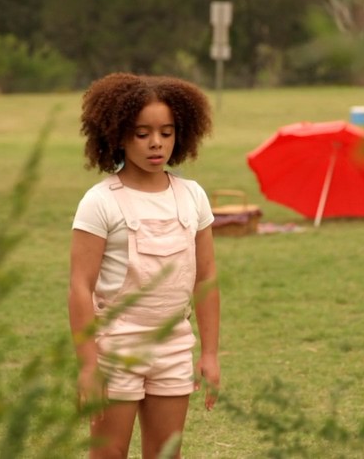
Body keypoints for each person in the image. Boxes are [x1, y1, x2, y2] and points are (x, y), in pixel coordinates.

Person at [69, 73, 220, 459]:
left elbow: (206, 278)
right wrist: (88, 366)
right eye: (142, 133)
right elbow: (80, 286)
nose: (157, 143)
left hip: (174, 346)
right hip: (116, 348)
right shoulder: (100, 202)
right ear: (118, 135)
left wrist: (209, 354)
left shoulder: (193, 196)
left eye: (167, 132)